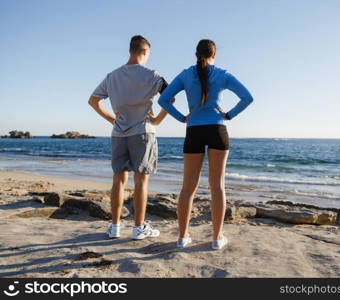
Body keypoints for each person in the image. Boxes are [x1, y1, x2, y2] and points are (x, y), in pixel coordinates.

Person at [158, 39, 253, 250]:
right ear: (215, 55)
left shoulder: (185, 75)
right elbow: (247, 98)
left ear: (196, 54)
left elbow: (163, 100)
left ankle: (182, 238)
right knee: (217, 186)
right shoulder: (222, 74)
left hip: (193, 130)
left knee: (188, 187)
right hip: (217, 130)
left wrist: (182, 117)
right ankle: (217, 239)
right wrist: (229, 114)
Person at [88, 35, 174, 240]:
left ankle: (115, 226)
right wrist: (159, 119)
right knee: (141, 180)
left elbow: (93, 101)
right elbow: (170, 96)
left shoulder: (112, 76)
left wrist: (111, 119)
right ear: (145, 52)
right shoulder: (151, 75)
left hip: (118, 133)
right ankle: (138, 228)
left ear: (130, 50)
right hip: (143, 132)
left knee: (118, 179)